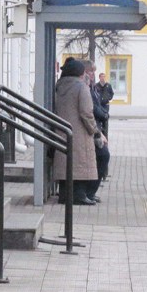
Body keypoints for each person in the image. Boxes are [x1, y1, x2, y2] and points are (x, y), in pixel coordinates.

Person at [52, 58, 103, 205]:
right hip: (80, 133)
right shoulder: (81, 87)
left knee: (66, 162)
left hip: (62, 132)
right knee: (81, 163)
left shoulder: (59, 86)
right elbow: (87, 113)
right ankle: (80, 195)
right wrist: (95, 131)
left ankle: (65, 195)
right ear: (80, 74)